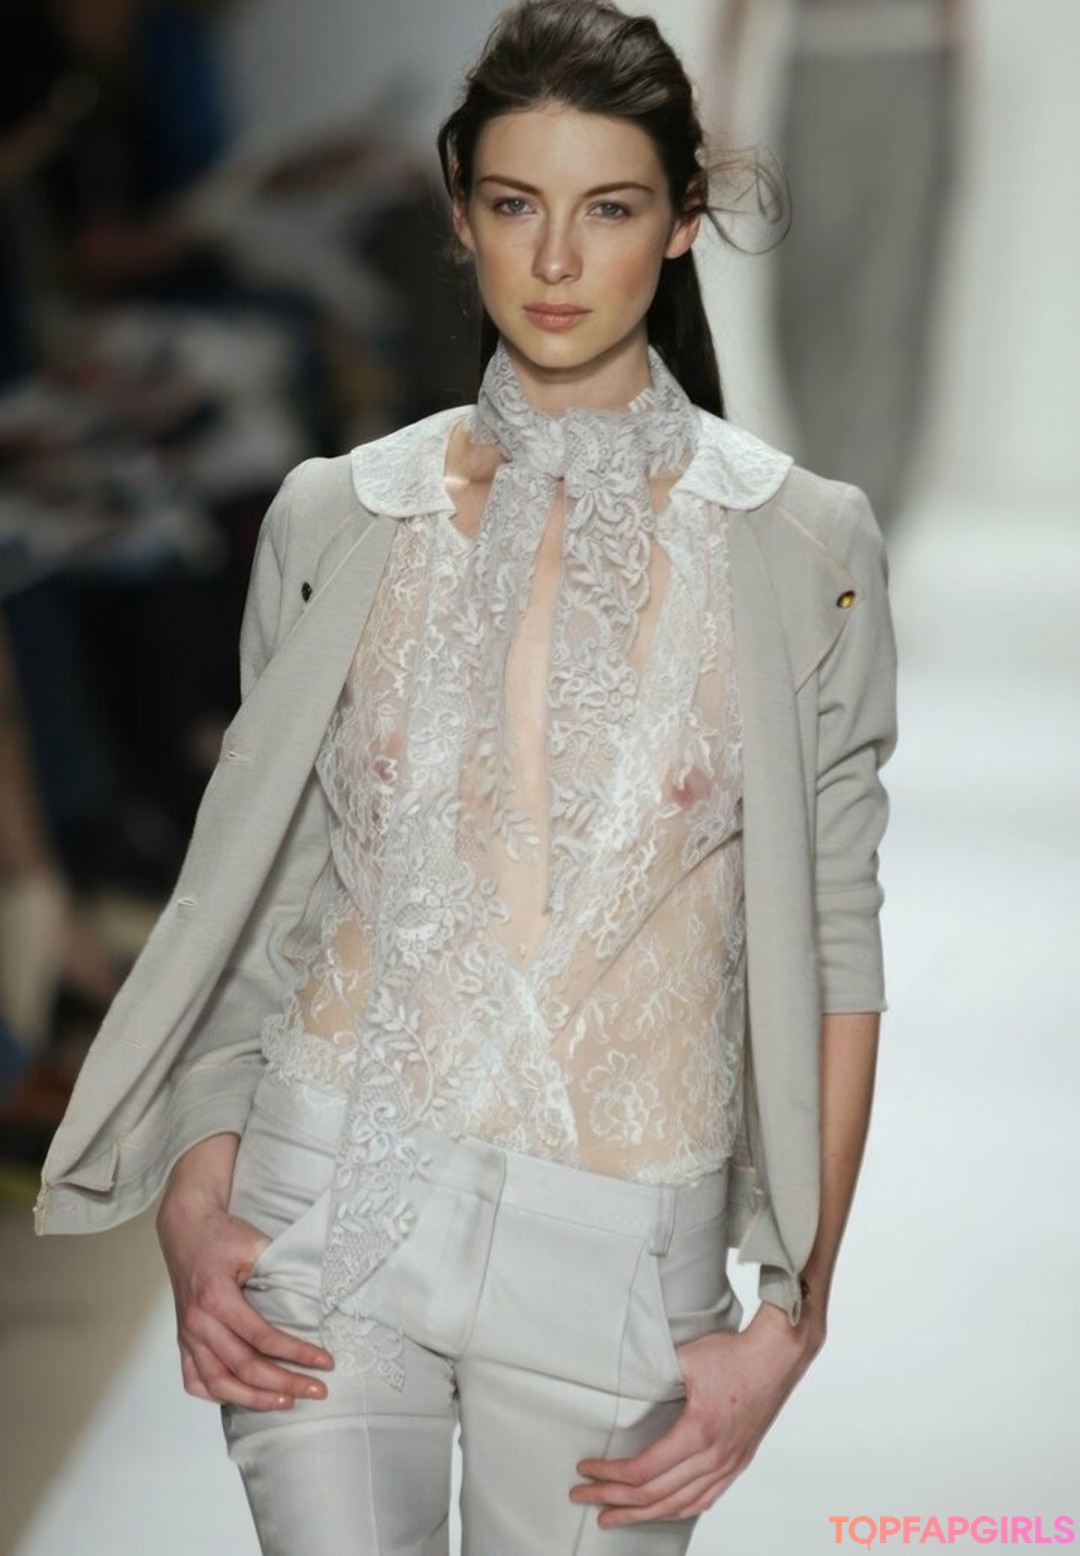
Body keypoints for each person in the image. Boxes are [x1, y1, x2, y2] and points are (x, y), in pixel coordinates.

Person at [33, 1, 898, 1550]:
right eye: (514, 204)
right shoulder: (338, 516)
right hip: (322, 1205)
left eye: (608, 209)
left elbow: (836, 945)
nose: (555, 260)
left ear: (681, 221)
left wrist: (795, 1313)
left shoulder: (800, 547)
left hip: (616, 1247)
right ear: (461, 212)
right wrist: (200, 1187)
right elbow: (266, 894)